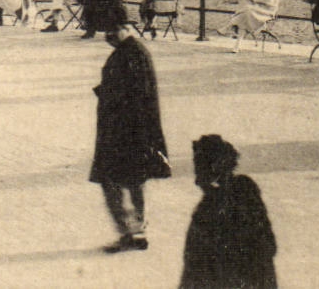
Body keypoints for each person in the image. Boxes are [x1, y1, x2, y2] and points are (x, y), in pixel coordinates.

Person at [90, 19, 170, 253]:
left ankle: (129, 232)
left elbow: (135, 94)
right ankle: (137, 231)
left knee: (111, 181)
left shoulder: (131, 54)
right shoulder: (132, 51)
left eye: (113, 29)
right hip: (132, 131)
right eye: (106, 30)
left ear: (127, 28)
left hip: (124, 131)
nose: (109, 35)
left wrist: (106, 94)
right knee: (134, 181)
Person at [179, 134, 277, 289]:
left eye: (200, 168)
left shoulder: (210, 209)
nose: (197, 179)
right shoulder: (244, 191)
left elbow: (193, 272)